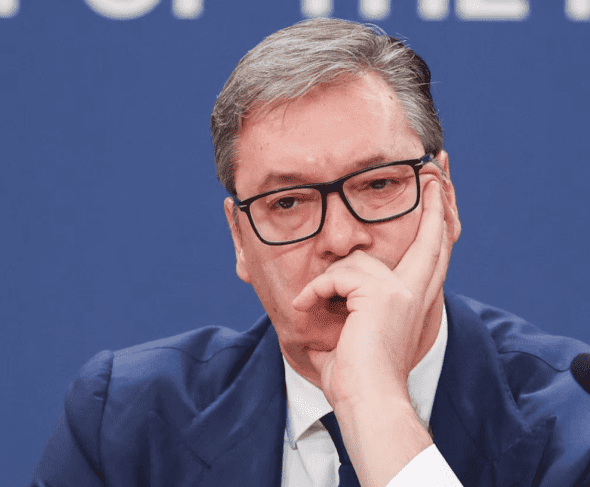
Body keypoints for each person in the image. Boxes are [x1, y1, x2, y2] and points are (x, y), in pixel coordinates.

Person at [31, 19, 590, 487]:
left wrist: (373, 402)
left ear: (443, 200)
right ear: (240, 239)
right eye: (288, 202)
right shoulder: (126, 425)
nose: (341, 239)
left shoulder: (576, 422)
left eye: (378, 184)